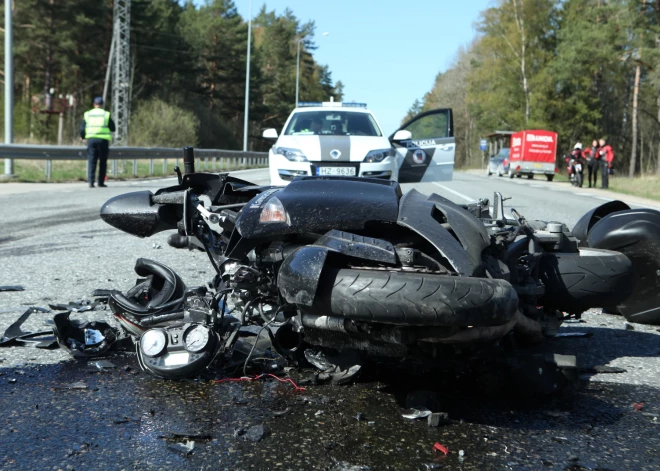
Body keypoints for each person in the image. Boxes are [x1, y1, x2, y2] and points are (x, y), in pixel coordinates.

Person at [80, 97, 115, 188]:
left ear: (94, 104)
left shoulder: (88, 114)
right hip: (103, 140)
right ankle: (100, 182)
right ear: (102, 105)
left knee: (92, 161)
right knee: (102, 162)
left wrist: (82, 136)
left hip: (91, 140)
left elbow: (82, 128)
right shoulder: (106, 114)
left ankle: (91, 182)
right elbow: (113, 128)